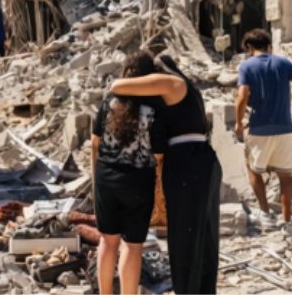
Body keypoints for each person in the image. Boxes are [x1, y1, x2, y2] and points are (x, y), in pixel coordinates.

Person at [111, 54, 222, 294]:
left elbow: (117, 86)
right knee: (204, 238)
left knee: (185, 238)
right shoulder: (187, 92)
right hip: (201, 161)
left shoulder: (172, 84)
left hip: (188, 164)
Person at [91, 51, 166, 295]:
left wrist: (95, 177)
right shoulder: (154, 107)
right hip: (138, 180)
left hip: (106, 176)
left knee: (107, 240)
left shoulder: (109, 101)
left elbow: (94, 142)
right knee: (133, 246)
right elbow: (158, 153)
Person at [234, 29, 292, 227]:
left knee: (253, 170)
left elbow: (242, 96)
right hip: (285, 127)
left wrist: (238, 123)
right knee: (286, 176)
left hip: (259, 127)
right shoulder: (283, 63)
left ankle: (265, 214)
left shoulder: (246, 66)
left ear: (249, 47)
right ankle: (288, 221)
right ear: (269, 45)